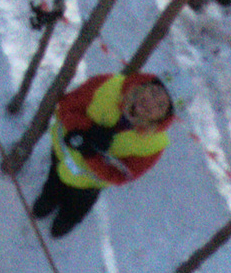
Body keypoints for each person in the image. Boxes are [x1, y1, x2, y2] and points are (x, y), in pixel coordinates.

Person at [30, 70, 174, 236]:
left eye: (161, 106)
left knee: (79, 202)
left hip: (88, 182)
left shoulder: (154, 145)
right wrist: (88, 129)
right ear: (146, 86)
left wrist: (91, 155)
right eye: (154, 92)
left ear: (164, 117)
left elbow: (122, 175)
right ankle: (49, 197)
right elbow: (68, 104)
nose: (151, 102)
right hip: (62, 152)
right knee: (54, 177)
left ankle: (69, 217)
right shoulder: (108, 85)